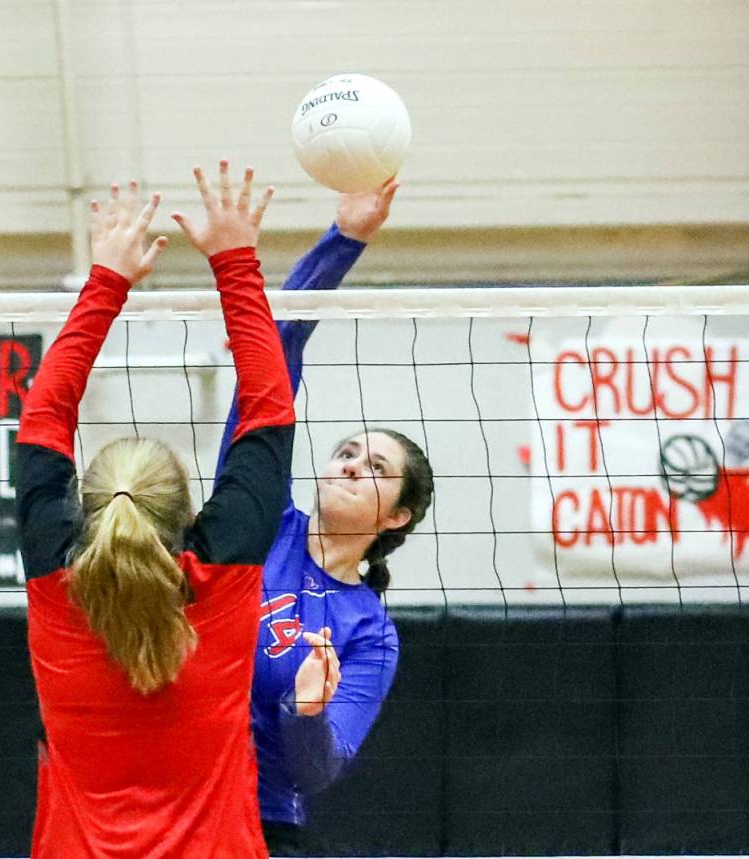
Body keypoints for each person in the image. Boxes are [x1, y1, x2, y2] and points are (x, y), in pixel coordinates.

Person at [15, 162, 295, 858]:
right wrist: (232, 262)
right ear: (188, 511)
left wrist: (105, 282)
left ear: (83, 511)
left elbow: (42, 419)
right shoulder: (222, 577)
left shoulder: (58, 581)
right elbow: (269, 407)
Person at [214, 180, 435, 854]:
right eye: (345, 451)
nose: (348, 465)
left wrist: (305, 711)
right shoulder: (260, 522)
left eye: (374, 466)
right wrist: (345, 240)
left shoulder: (369, 631)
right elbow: (274, 354)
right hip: (177, 795)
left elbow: (318, 769)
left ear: (396, 518)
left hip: (264, 823)